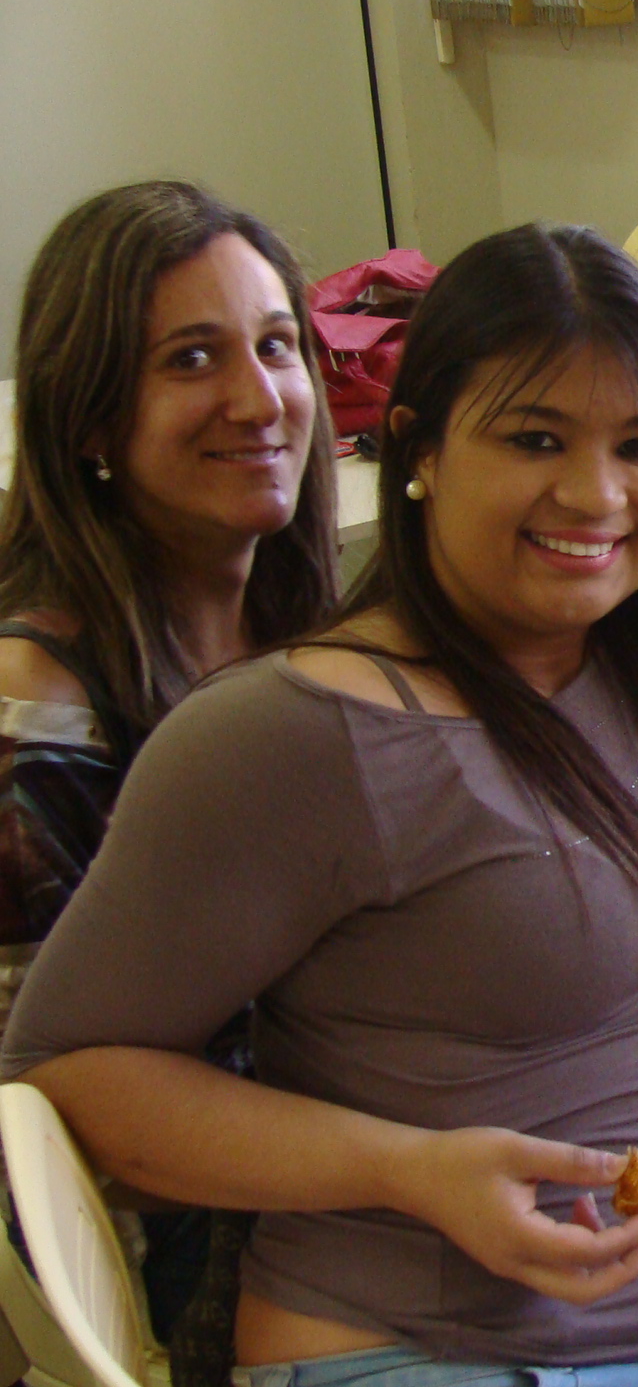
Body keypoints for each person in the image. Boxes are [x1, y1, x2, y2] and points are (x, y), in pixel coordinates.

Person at [0, 225, 638, 1387]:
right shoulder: (290, 731)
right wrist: (407, 1171)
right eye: (534, 439)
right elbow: (69, 1066)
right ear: (420, 451)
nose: (594, 493)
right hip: (415, 1350)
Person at [0, 180, 339, 1361]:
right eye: (193, 359)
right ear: (90, 421)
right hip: (207, 1264)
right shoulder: (36, 729)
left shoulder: (287, 630)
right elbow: (65, 1130)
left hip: (339, 1149)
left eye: (277, 346)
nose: (260, 399)